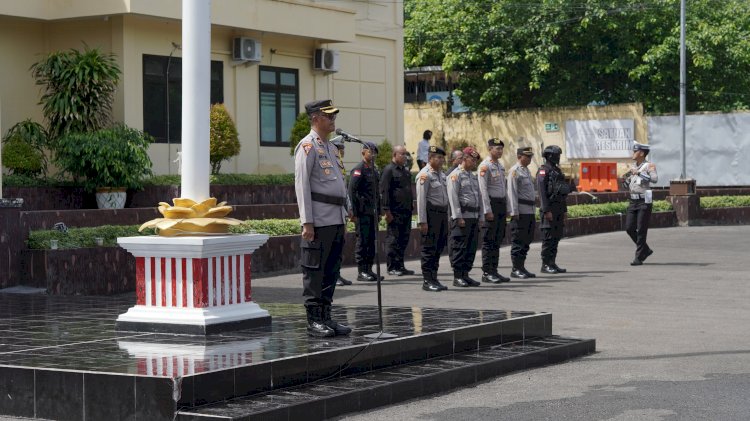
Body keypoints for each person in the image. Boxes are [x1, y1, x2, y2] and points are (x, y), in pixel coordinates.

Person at [294, 99, 351, 337]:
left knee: (331, 270)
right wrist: (307, 221)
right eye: (329, 116)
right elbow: (302, 185)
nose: (333, 120)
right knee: (315, 271)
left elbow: (339, 184)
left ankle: (326, 317)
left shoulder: (330, 147)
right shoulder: (307, 146)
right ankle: (313, 320)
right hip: (318, 220)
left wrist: (345, 213)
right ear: (316, 118)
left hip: (336, 218)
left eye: (334, 116)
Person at [415, 146, 450, 292]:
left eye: (442, 158)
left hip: (441, 214)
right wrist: (422, 221)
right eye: (438, 157)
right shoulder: (425, 175)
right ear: (430, 158)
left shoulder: (441, 175)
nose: (441, 160)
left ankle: (434, 278)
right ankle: (427, 280)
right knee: (429, 248)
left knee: (438, 247)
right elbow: (421, 199)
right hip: (431, 215)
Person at [447, 147, 482, 287]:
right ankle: (457, 276)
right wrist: (458, 217)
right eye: (472, 159)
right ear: (464, 159)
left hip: (473, 216)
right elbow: (453, 198)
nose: (474, 162)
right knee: (460, 247)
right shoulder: (455, 175)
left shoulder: (472, 176)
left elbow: (478, 197)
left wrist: (480, 216)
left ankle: (466, 274)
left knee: (471, 247)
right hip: (462, 217)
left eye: (475, 160)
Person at [478, 138, 510, 283]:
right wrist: (487, 210)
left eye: (501, 148)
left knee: (498, 239)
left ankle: (494, 270)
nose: (500, 151)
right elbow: (483, 190)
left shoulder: (500, 166)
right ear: (489, 149)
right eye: (497, 148)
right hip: (491, 205)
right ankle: (487, 272)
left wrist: (508, 207)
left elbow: (504, 188)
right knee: (489, 240)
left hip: (500, 205)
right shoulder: (485, 166)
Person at [349, 141, 382, 282]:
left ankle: (369, 270)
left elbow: (376, 193)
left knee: (370, 242)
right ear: (363, 152)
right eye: (370, 152)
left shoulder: (374, 170)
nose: (373, 154)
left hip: (372, 212)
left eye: (374, 152)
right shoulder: (359, 169)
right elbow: (352, 191)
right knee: (362, 241)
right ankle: (361, 271)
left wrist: (379, 211)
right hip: (362, 213)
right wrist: (355, 213)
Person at [380, 145, 415, 276]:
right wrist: (386, 211)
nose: (405, 157)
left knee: (403, 239)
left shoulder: (405, 171)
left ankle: (400, 265)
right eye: (402, 154)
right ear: (395, 155)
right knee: (393, 239)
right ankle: (392, 266)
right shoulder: (389, 170)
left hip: (405, 211)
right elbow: (384, 191)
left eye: (406, 154)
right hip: (394, 212)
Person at [537, 145, 571, 274]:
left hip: (559, 208)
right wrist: (546, 210)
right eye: (556, 155)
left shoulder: (556, 170)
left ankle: (552, 262)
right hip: (550, 209)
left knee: (556, 237)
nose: (558, 157)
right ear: (549, 156)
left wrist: (565, 210)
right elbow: (542, 192)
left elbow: (562, 193)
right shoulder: (543, 171)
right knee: (548, 238)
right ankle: (545, 264)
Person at [624, 142, 658, 266]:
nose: (633, 154)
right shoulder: (633, 166)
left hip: (644, 201)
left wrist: (639, 173)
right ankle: (646, 249)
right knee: (629, 228)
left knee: (641, 229)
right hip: (633, 201)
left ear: (642, 153)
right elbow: (627, 184)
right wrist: (626, 179)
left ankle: (639, 257)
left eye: (635, 151)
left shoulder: (649, 166)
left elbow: (654, 179)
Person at [507, 146, 537, 279]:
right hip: (520, 211)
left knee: (527, 239)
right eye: (527, 156)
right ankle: (516, 268)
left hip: (529, 211)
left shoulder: (526, 171)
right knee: (518, 240)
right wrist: (514, 211)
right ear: (520, 157)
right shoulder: (515, 171)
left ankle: (522, 266)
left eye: (531, 156)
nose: (530, 159)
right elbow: (512, 193)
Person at [331, 136, 353, 286]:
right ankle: (333, 276)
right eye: (340, 148)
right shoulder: (331, 165)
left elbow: (344, 190)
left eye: (343, 149)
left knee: (340, 246)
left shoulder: (340, 165)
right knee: (334, 246)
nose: (342, 151)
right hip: (333, 212)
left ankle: (337, 274)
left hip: (342, 211)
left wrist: (349, 208)